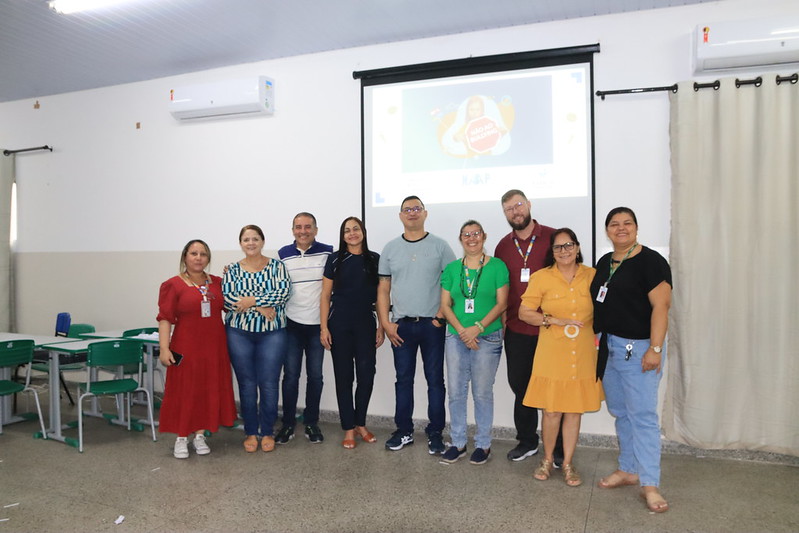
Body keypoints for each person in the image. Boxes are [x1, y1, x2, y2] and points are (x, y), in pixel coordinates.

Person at [589, 207, 672, 513]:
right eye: (614, 224)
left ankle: (650, 485)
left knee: (643, 418)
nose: (620, 228)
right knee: (622, 412)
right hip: (609, 347)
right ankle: (628, 469)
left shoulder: (651, 262)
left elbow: (661, 307)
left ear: (636, 228)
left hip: (638, 350)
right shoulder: (604, 262)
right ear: (607, 230)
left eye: (627, 223)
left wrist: (656, 348)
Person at [519, 228, 603, 486]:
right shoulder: (542, 277)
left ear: (577, 248)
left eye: (568, 245)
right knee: (552, 410)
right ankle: (546, 460)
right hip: (552, 351)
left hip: (583, 351)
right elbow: (525, 312)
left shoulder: (593, 276)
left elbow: (607, 307)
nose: (564, 251)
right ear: (552, 252)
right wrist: (553, 319)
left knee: (574, 411)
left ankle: (567, 463)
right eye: (558, 247)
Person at [377, 195, 456, 453]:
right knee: (403, 381)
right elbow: (383, 289)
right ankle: (404, 431)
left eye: (416, 209)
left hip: (432, 325)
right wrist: (385, 323)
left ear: (425, 213)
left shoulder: (440, 246)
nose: (412, 213)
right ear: (400, 215)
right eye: (406, 209)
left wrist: (440, 317)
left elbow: (452, 284)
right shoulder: (390, 249)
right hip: (401, 326)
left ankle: (435, 432)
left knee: (435, 381)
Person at [493, 189, 564, 464]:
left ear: (529, 205)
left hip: (551, 329)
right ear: (505, 214)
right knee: (520, 385)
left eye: (519, 205)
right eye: (509, 209)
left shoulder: (554, 237)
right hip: (516, 329)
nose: (515, 212)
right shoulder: (502, 246)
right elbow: (502, 289)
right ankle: (527, 441)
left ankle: (557, 447)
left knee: (553, 389)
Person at [157, 239, 238, 459]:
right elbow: (165, 319)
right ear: (185, 257)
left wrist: (234, 274)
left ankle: (200, 435)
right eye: (193, 253)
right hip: (186, 347)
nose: (198, 257)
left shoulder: (218, 283)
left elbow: (237, 297)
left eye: (203, 254)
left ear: (208, 259)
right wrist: (164, 348)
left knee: (208, 389)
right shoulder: (172, 285)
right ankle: (181, 437)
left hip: (214, 347)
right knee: (186, 390)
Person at [439, 220, 509, 465]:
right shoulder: (451, 269)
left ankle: (483, 444)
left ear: (484, 236)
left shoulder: (498, 267)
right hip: (456, 337)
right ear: (460, 239)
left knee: (481, 392)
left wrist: (477, 328)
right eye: (466, 234)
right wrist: (462, 331)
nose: (471, 238)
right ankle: (458, 442)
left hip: (488, 337)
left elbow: (502, 303)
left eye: (476, 233)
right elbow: (445, 305)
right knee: (456, 392)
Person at [223, 224, 291, 453]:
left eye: (255, 239)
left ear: (262, 241)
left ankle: (267, 431)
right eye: (246, 239)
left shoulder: (277, 266)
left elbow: (283, 293)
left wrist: (251, 302)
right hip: (238, 332)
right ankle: (251, 431)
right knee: (247, 383)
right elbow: (229, 299)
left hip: (273, 333)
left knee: (269, 383)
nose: (250, 243)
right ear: (240, 243)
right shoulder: (232, 269)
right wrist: (262, 305)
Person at [320, 216, 384, 449]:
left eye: (356, 229)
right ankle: (348, 427)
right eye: (347, 230)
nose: (352, 233)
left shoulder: (375, 259)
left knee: (366, 374)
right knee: (344, 377)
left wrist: (382, 326)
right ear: (342, 235)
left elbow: (381, 297)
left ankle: (361, 423)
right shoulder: (335, 259)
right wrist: (324, 327)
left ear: (363, 232)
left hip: (366, 324)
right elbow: (325, 296)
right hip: (339, 324)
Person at [276, 212, 333, 444]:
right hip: (291, 325)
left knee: (316, 377)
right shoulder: (283, 254)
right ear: (292, 231)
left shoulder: (328, 251)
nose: (303, 231)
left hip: (318, 326)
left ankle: (311, 422)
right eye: (298, 227)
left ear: (316, 230)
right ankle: (288, 423)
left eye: (308, 227)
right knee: (290, 377)